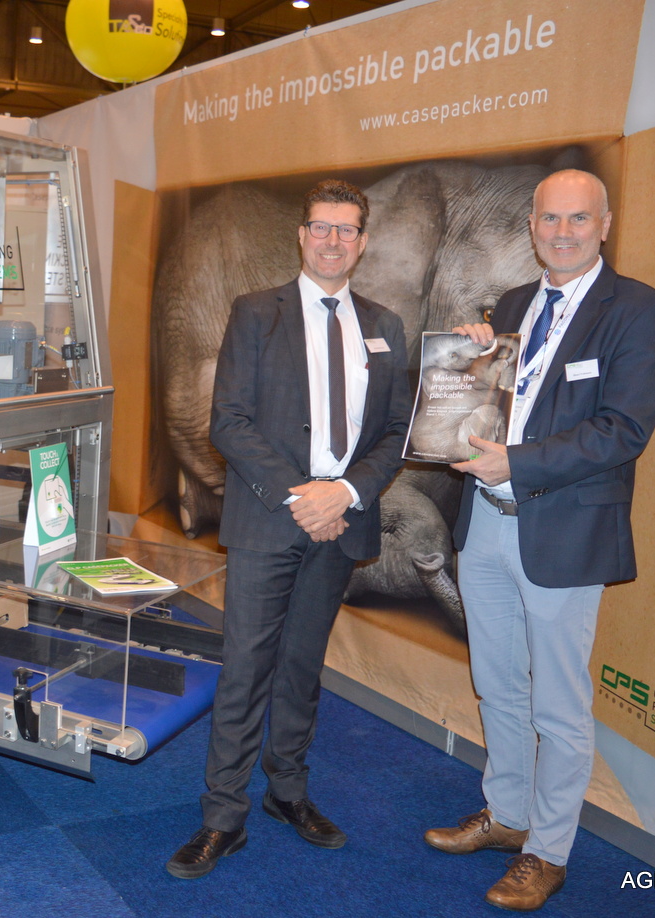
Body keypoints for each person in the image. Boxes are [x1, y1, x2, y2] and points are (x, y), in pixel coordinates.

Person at [425, 169, 655, 911]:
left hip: (564, 531)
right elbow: (498, 400)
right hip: (485, 524)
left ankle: (548, 850)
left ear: (605, 224)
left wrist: (519, 463)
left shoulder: (642, 311)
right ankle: (508, 814)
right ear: (532, 226)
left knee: (559, 704)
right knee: (497, 684)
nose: (562, 233)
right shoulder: (511, 305)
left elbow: (622, 430)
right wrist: (471, 356)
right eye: (549, 219)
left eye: (578, 219)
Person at [166, 179, 411, 878]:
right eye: (321, 227)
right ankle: (223, 816)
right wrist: (302, 496)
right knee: (245, 670)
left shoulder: (386, 326)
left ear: (363, 242)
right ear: (302, 236)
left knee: (302, 668)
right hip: (270, 517)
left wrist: (345, 494)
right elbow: (228, 422)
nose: (333, 240)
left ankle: (288, 793)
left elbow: (396, 430)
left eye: (346, 229)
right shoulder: (255, 313)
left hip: (341, 522)